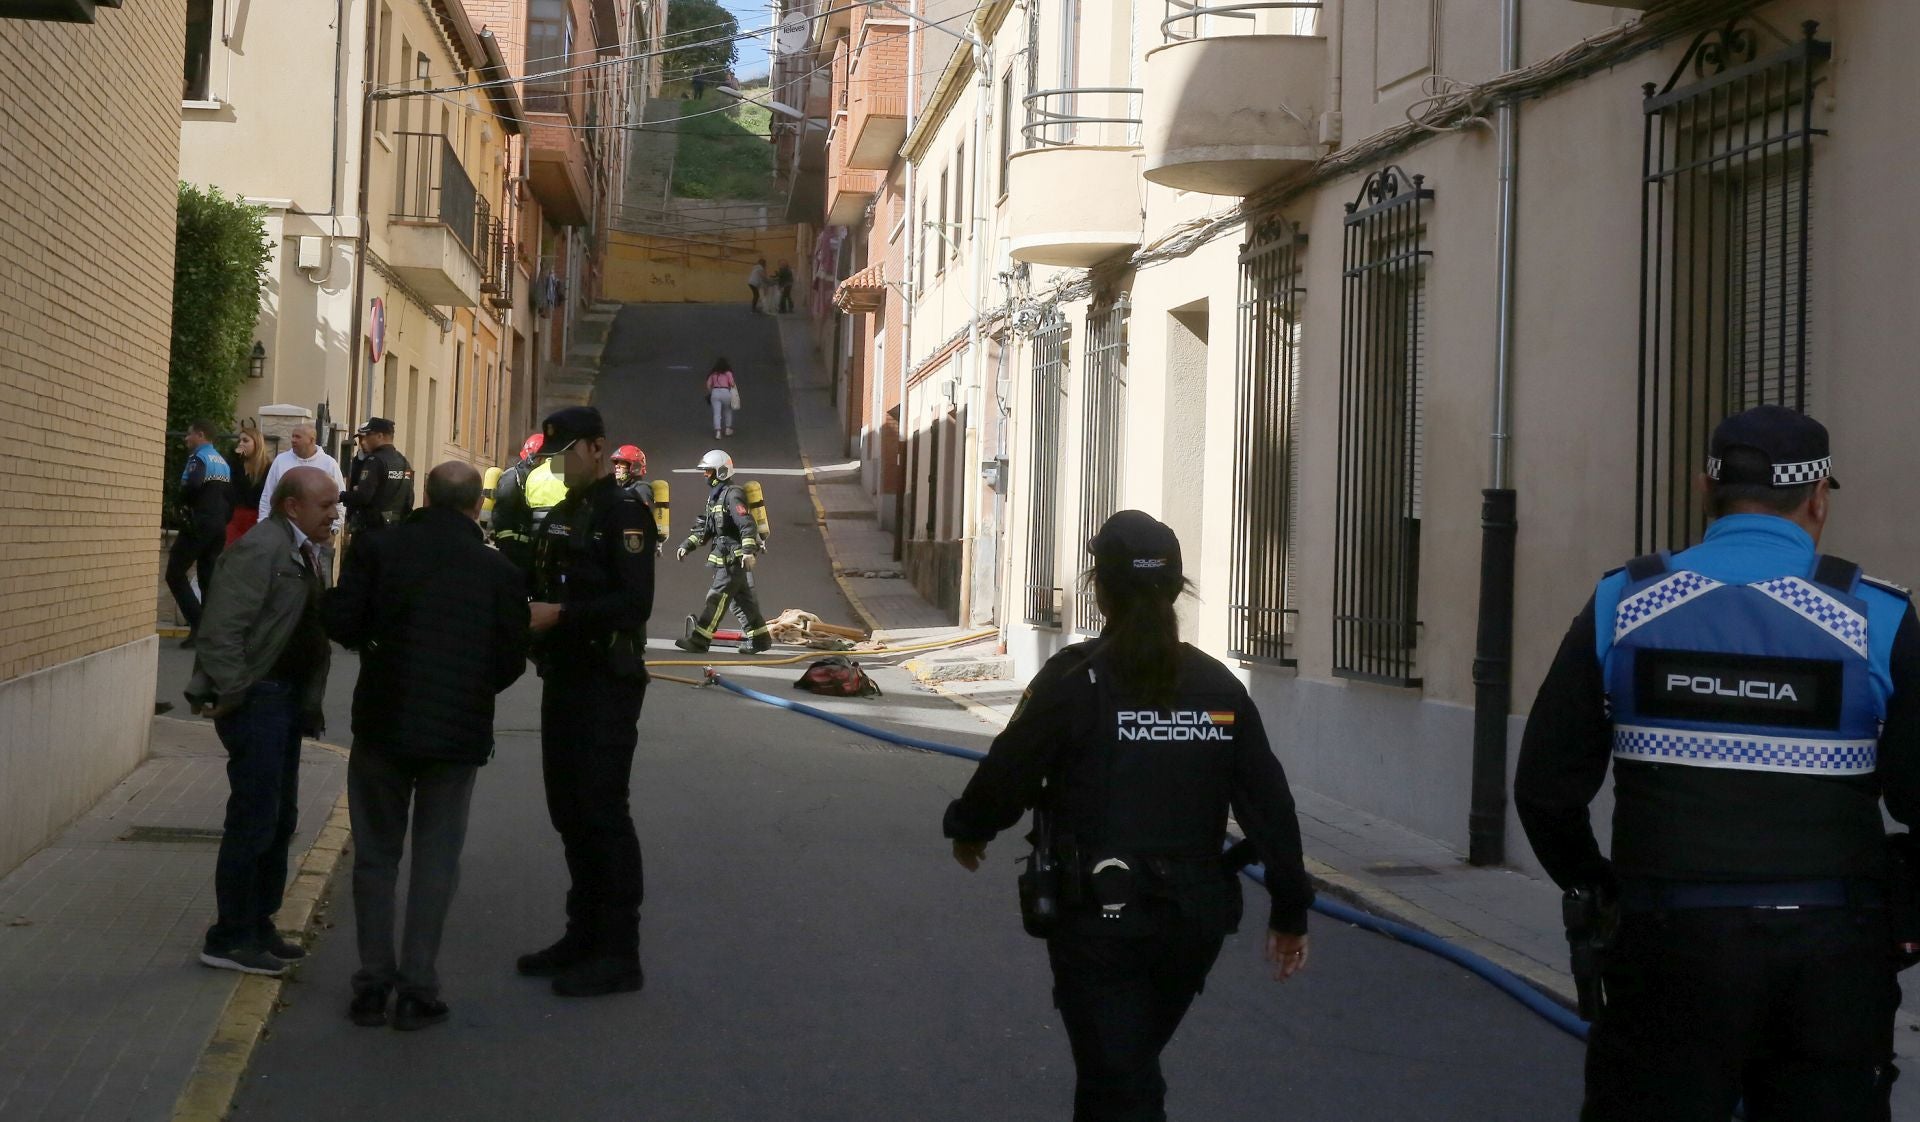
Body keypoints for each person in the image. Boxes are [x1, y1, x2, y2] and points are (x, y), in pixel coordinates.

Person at [1515, 405, 1919, 1121]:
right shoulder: (1877, 619)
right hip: (1830, 961)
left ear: (1707, 491)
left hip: (1669, 948)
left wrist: (1599, 888)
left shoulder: (1623, 603)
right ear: (1818, 498)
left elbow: (1546, 789)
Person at [944, 510, 1313, 1121]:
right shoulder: (1218, 688)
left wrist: (972, 828)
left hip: (1097, 916)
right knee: (1117, 1066)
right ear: (1176, 589)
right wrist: (1291, 909)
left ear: (1099, 589)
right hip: (1192, 923)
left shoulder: (1075, 680)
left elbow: (1011, 765)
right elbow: (1269, 806)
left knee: (1123, 1075)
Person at [326, 462, 530, 1031]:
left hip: (383, 722)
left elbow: (341, 619)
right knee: (436, 859)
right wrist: (471, 688)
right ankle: (418, 987)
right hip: (455, 735)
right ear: (476, 507)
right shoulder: (498, 571)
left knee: (375, 855)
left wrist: (376, 648)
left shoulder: (379, 549)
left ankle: (371, 984)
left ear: (424, 496)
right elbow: (512, 657)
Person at [519, 406, 656, 997]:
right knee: (568, 810)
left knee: (602, 811)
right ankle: (582, 933)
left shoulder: (624, 512)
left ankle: (618, 951)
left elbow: (634, 602)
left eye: (567, 452)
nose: (559, 463)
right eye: (553, 453)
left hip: (606, 676)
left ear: (598, 448)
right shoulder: (567, 509)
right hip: (566, 675)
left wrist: (563, 616)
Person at [184, 466, 338, 977]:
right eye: (325, 505)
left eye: (335, 504)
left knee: (279, 818)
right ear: (292, 506)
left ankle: (258, 924)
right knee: (254, 820)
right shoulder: (261, 549)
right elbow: (220, 630)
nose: (334, 514)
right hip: (261, 700)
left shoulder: (301, 550)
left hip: (285, 700)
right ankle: (229, 937)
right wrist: (238, 693)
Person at [672, 449, 771, 654]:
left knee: (716, 597)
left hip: (732, 560)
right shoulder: (715, 497)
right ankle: (760, 638)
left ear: (721, 472)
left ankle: (700, 640)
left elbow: (746, 524)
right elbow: (707, 529)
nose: (705, 475)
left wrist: (747, 551)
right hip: (724, 558)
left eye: (708, 471)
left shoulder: (733, 495)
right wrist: (686, 545)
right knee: (742, 601)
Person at [168, 419, 235, 647]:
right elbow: (229, 498)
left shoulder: (199, 458)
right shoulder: (223, 462)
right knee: (207, 578)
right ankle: (209, 633)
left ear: (201, 435)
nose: (186, 439)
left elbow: (193, 485)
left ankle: (198, 623)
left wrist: (180, 502)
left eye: (189, 434)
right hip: (218, 527)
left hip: (199, 523)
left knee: (174, 574)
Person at [258, 422, 346, 576]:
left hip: (317, 537)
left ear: (311, 440)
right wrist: (263, 524)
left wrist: (334, 529)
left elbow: (340, 500)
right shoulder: (281, 461)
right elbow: (267, 496)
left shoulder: (329, 464)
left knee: (319, 582)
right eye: (292, 436)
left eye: (297, 437)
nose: (293, 440)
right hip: (284, 535)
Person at [341, 417, 414, 545]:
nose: (365, 439)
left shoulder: (374, 461)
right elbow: (409, 499)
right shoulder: (403, 462)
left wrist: (341, 495)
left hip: (372, 532)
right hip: (396, 532)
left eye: (369, 434)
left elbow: (363, 496)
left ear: (380, 436)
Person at [490, 432, 545, 575]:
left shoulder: (515, 476)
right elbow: (503, 513)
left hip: (522, 545)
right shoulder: (514, 477)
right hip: (517, 547)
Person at [226, 425, 271, 547]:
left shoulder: (267, 467)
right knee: (230, 552)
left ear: (257, 443)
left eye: (245, 441)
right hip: (236, 516)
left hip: (255, 518)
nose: (241, 444)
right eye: (239, 440)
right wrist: (235, 456)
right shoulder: (237, 464)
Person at [705, 357, 737, 439]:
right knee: (728, 411)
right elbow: (732, 384)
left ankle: (718, 432)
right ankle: (727, 429)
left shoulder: (713, 374)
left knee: (716, 413)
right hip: (726, 392)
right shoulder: (728, 373)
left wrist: (711, 391)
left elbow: (708, 385)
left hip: (715, 392)